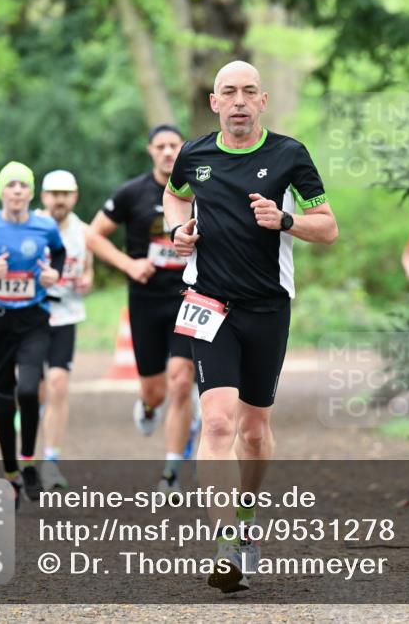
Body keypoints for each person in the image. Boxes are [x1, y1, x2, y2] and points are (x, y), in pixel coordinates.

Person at [164, 60, 338, 592]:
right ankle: (224, 548)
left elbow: (328, 227)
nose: (238, 101)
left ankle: (246, 522)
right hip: (209, 302)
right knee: (216, 422)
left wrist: (285, 220)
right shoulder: (194, 155)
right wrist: (178, 228)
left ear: (263, 101)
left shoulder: (289, 156)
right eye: (227, 92)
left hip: (268, 306)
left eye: (248, 92)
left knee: (255, 429)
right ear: (214, 102)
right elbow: (174, 194)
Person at [86, 124, 199, 494]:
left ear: (182, 150)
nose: (168, 152)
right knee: (156, 391)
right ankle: (149, 408)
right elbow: (92, 235)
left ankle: (170, 473)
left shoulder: (199, 189)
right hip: (146, 301)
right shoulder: (132, 193)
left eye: (174, 146)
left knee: (182, 381)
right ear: (150, 150)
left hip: (190, 297)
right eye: (161, 146)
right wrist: (129, 265)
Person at [0, 161, 65, 507]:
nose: (18, 190)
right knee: (3, 402)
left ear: (31, 192)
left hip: (34, 320)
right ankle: (10, 474)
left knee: (29, 388)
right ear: (2, 191)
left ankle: (29, 462)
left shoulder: (44, 225)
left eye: (24, 185)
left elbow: (60, 254)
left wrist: (53, 274)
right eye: (11, 185)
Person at [36, 170, 93, 490]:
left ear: (74, 197)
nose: (59, 199)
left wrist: (86, 282)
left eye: (65, 193)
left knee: (58, 384)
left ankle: (51, 460)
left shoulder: (84, 233)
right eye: (53, 193)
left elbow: (88, 274)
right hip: (30, 316)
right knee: (32, 388)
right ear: (44, 197)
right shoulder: (29, 226)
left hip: (66, 315)